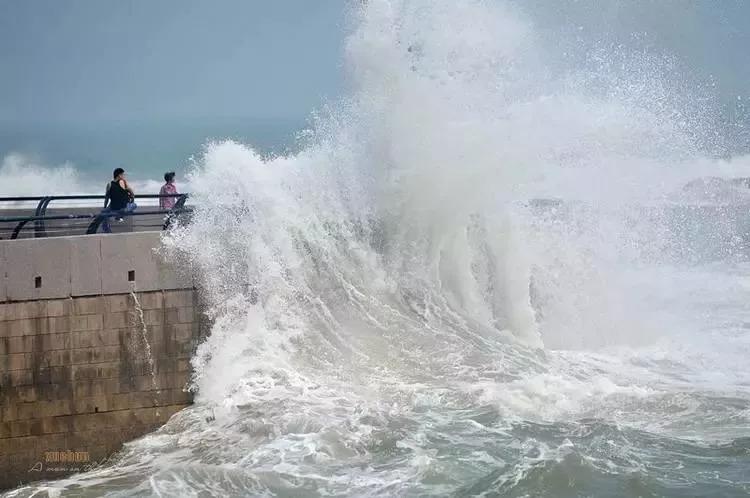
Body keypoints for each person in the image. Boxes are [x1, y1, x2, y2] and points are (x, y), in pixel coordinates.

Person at [100, 168, 136, 233]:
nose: (124, 176)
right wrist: (132, 199)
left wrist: (105, 207)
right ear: (119, 175)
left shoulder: (109, 184)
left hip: (113, 206)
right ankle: (120, 215)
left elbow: (107, 198)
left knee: (104, 212)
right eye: (123, 175)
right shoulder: (123, 182)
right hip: (122, 207)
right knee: (134, 205)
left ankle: (106, 229)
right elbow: (132, 194)